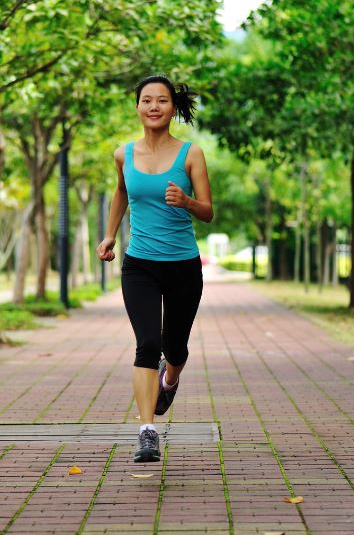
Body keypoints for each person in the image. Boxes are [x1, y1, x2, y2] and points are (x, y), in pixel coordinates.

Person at [96, 75, 214, 463]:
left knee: (174, 347)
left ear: (173, 108)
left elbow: (209, 212)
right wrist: (111, 234)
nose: (153, 106)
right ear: (138, 107)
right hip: (140, 264)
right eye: (146, 100)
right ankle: (147, 431)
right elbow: (121, 191)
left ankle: (171, 376)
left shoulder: (191, 154)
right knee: (147, 343)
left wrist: (187, 201)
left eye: (162, 100)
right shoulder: (122, 154)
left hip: (182, 264)